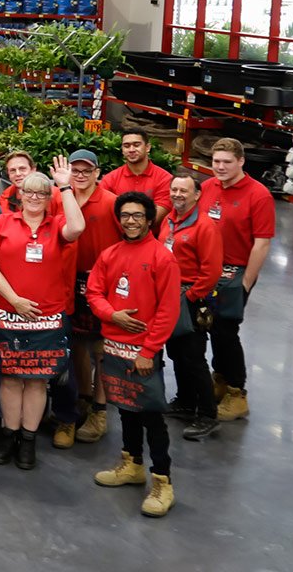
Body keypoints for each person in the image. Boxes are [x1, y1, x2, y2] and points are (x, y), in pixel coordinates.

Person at [0, 160, 85, 470]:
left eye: (42, 193)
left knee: (38, 380)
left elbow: (77, 227)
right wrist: (14, 300)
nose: (35, 198)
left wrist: (64, 186)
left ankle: (28, 439)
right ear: (20, 194)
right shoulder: (3, 223)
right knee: (10, 378)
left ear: (49, 197)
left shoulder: (58, 225)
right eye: (29, 192)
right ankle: (9, 434)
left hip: (48, 317)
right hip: (7, 313)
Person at [88, 191, 181, 517]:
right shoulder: (110, 254)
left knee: (151, 416)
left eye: (138, 215)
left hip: (143, 353)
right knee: (125, 409)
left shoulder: (162, 258)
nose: (131, 221)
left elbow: (168, 310)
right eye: (125, 215)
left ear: (149, 219)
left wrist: (149, 350)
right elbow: (94, 292)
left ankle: (162, 481)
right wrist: (111, 315)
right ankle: (132, 464)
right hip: (114, 347)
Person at [199, 137, 274, 422]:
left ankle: (236, 392)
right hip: (208, 269)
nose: (220, 167)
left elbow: (261, 244)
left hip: (236, 271)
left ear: (241, 161)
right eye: (216, 161)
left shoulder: (259, 195)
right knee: (209, 326)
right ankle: (219, 378)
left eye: (227, 162)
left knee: (226, 330)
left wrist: (245, 284)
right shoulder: (208, 187)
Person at [58, 148, 122, 450]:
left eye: (87, 170)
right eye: (76, 170)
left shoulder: (110, 202)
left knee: (102, 349)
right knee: (77, 346)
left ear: (97, 173)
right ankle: (83, 399)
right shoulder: (62, 196)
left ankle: (100, 410)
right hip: (69, 281)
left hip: (102, 283)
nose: (81, 175)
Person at [161, 172, 223, 441]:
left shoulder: (205, 226)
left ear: (197, 195)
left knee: (194, 357)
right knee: (176, 352)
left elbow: (212, 271)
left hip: (190, 299)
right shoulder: (169, 220)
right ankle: (185, 402)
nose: (177, 195)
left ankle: (208, 415)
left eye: (183, 191)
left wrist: (190, 297)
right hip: (169, 296)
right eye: (174, 189)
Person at [101, 131, 173, 222]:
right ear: (122, 150)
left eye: (136, 145)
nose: (131, 149)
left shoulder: (164, 179)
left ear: (147, 147)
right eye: (126, 146)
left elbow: (156, 217)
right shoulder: (110, 179)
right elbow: (103, 212)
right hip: (117, 230)